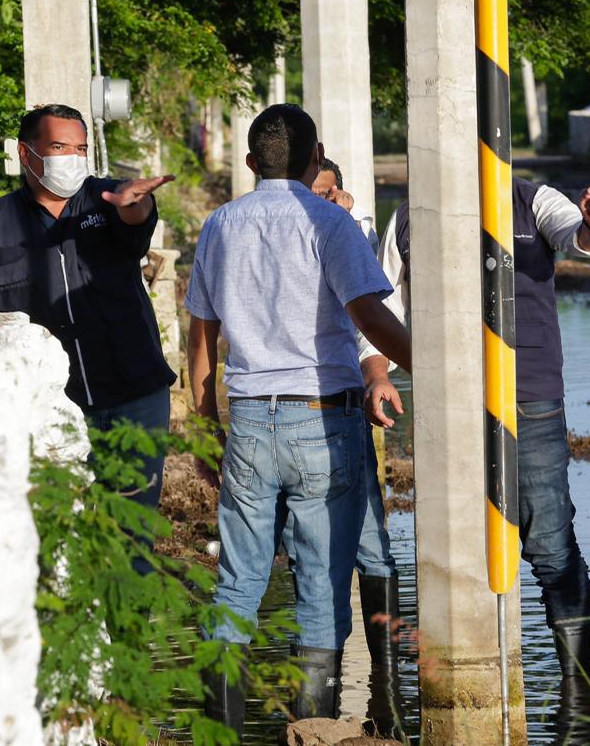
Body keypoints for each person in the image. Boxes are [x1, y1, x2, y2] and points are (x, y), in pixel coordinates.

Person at [358, 177, 590, 745]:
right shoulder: (409, 218)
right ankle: (457, 703)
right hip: (447, 404)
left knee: (551, 545)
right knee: (454, 548)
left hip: (532, 402)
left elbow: (582, 239)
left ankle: (577, 713)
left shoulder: (534, 200)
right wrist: (376, 371)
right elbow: (382, 304)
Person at [185, 104, 412, 735]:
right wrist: (442, 369)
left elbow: (201, 342)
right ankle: (314, 732)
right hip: (325, 420)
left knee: (236, 587)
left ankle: (219, 734)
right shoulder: (331, 224)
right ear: (316, 159)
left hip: (251, 420)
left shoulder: (220, 226)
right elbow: (371, 319)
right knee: (319, 589)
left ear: (251, 163)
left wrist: (207, 429)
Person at [0, 104, 177, 519]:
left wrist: (135, 205)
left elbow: (135, 219)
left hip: (134, 396)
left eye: (80, 149)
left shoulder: (106, 200)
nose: (74, 159)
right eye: (60, 147)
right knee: (59, 533)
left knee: (131, 535)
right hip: (50, 407)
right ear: (26, 154)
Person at [306, 158, 400, 738]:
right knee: (317, 554)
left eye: (333, 190)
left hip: (350, 402)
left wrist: (379, 376)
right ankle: (319, 707)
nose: (329, 198)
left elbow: (372, 317)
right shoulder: (286, 230)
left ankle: (385, 704)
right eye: (317, 191)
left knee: (372, 546)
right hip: (302, 407)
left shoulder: (354, 232)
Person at [310, 157, 378, 253]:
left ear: (339, 193)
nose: (315, 202)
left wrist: (343, 219)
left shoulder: (359, 224)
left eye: (324, 195)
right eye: (308, 194)